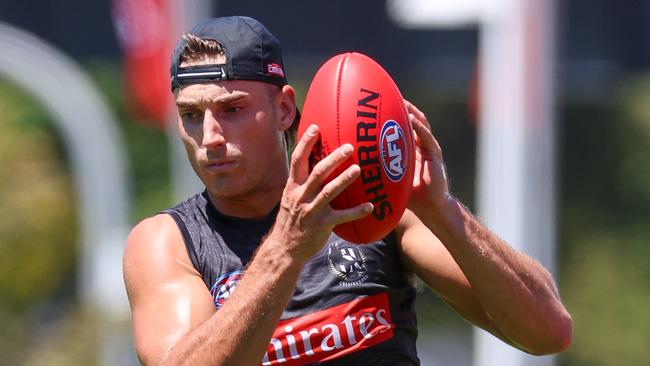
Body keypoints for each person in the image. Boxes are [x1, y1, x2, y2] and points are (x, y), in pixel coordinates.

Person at [123, 16, 572, 366]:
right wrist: (286, 248)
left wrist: (443, 212)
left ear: (283, 109)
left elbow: (547, 332)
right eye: (192, 115)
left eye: (232, 109)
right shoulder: (167, 242)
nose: (211, 136)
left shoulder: (366, 205)